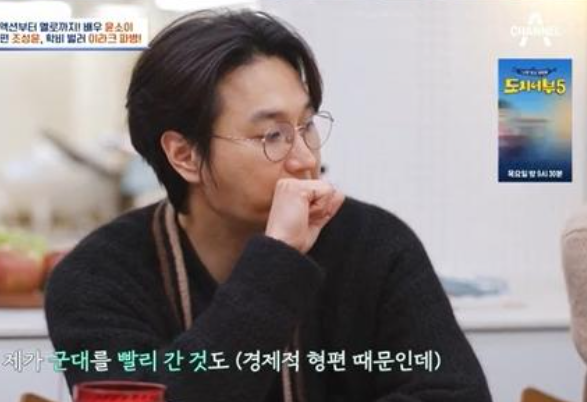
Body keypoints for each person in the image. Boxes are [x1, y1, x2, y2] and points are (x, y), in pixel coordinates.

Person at [45, 9, 492, 402]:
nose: (306, 159)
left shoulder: (375, 243)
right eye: (273, 135)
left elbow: (455, 394)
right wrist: (277, 258)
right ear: (184, 155)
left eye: (307, 125)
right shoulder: (97, 276)